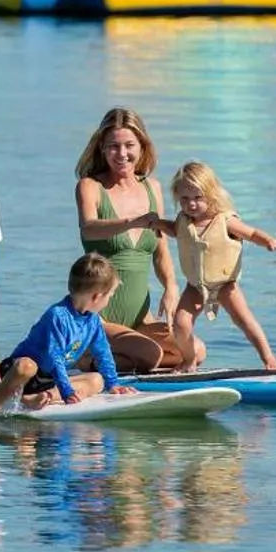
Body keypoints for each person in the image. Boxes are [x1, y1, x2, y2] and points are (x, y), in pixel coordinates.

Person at [73, 107, 205, 373]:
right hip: (97, 316)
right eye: (113, 146)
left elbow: (160, 249)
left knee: (196, 350)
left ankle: (114, 357)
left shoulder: (152, 187)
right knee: (150, 354)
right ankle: (87, 358)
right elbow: (89, 228)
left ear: (142, 146)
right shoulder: (90, 186)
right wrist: (133, 221)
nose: (122, 153)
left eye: (129, 145)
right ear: (102, 149)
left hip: (140, 318)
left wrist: (171, 287)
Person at [144, 161, 276, 372]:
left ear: (211, 194)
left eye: (198, 198)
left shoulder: (225, 221)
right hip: (195, 286)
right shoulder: (183, 221)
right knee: (180, 323)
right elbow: (175, 231)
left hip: (225, 285)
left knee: (244, 320)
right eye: (184, 199)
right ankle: (189, 359)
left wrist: (268, 241)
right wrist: (158, 223)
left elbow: (252, 233)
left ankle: (269, 358)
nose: (191, 204)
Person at [0, 253, 138, 414]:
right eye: (110, 296)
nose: (109, 300)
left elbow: (103, 352)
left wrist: (113, 384)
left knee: (97, 380)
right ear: (96, 296)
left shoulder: (92, 320)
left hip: (49, 380)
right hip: (20, 375)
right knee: (26, 366)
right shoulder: (57, 315)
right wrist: (66, 391)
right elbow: (54, 357)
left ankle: (38, 398)